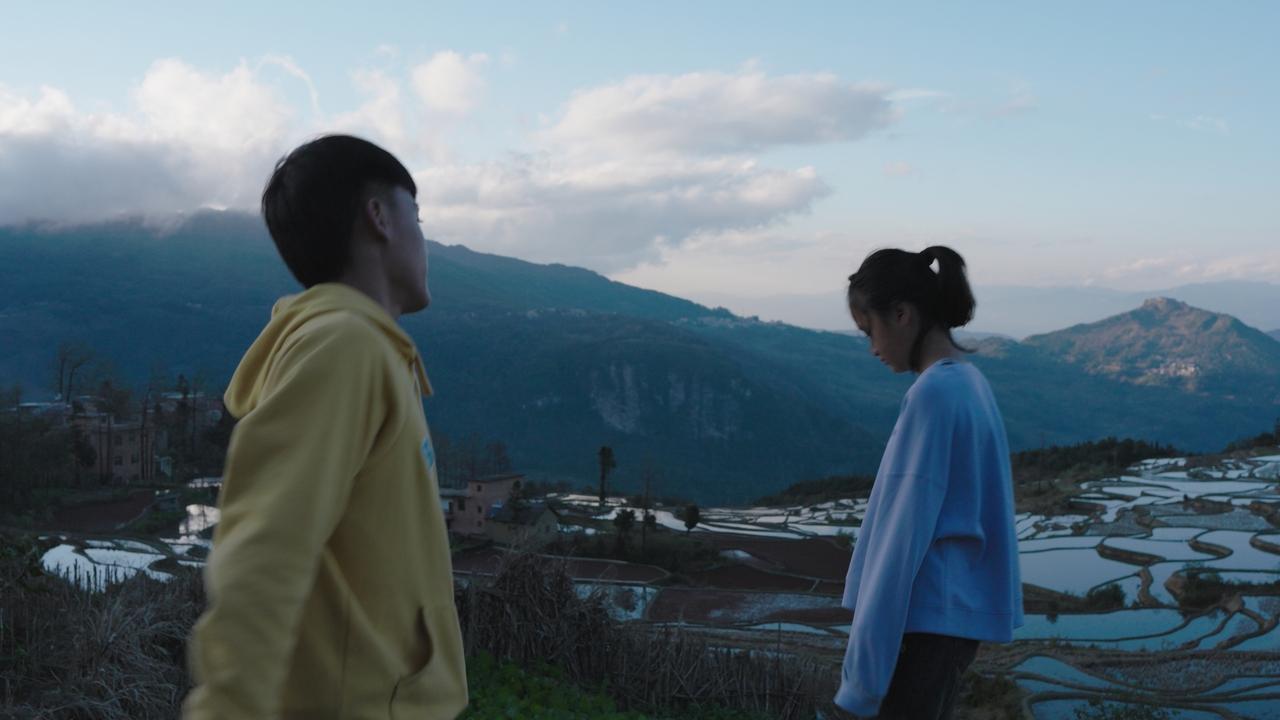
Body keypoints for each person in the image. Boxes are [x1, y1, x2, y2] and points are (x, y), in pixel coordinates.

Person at [183, 135, 468, 719]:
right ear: (379, 217)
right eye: (417, 216)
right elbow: (264, 551)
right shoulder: (345, 347)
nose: (424, 238)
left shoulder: (371, 350)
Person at [834, 246, 1023, 719]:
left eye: (870, 330)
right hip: (953, 624)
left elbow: (898, 543)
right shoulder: (971, 383)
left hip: (921, 626)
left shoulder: (933, 395)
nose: (872, 348)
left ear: (901, 315)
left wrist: (860, 683)